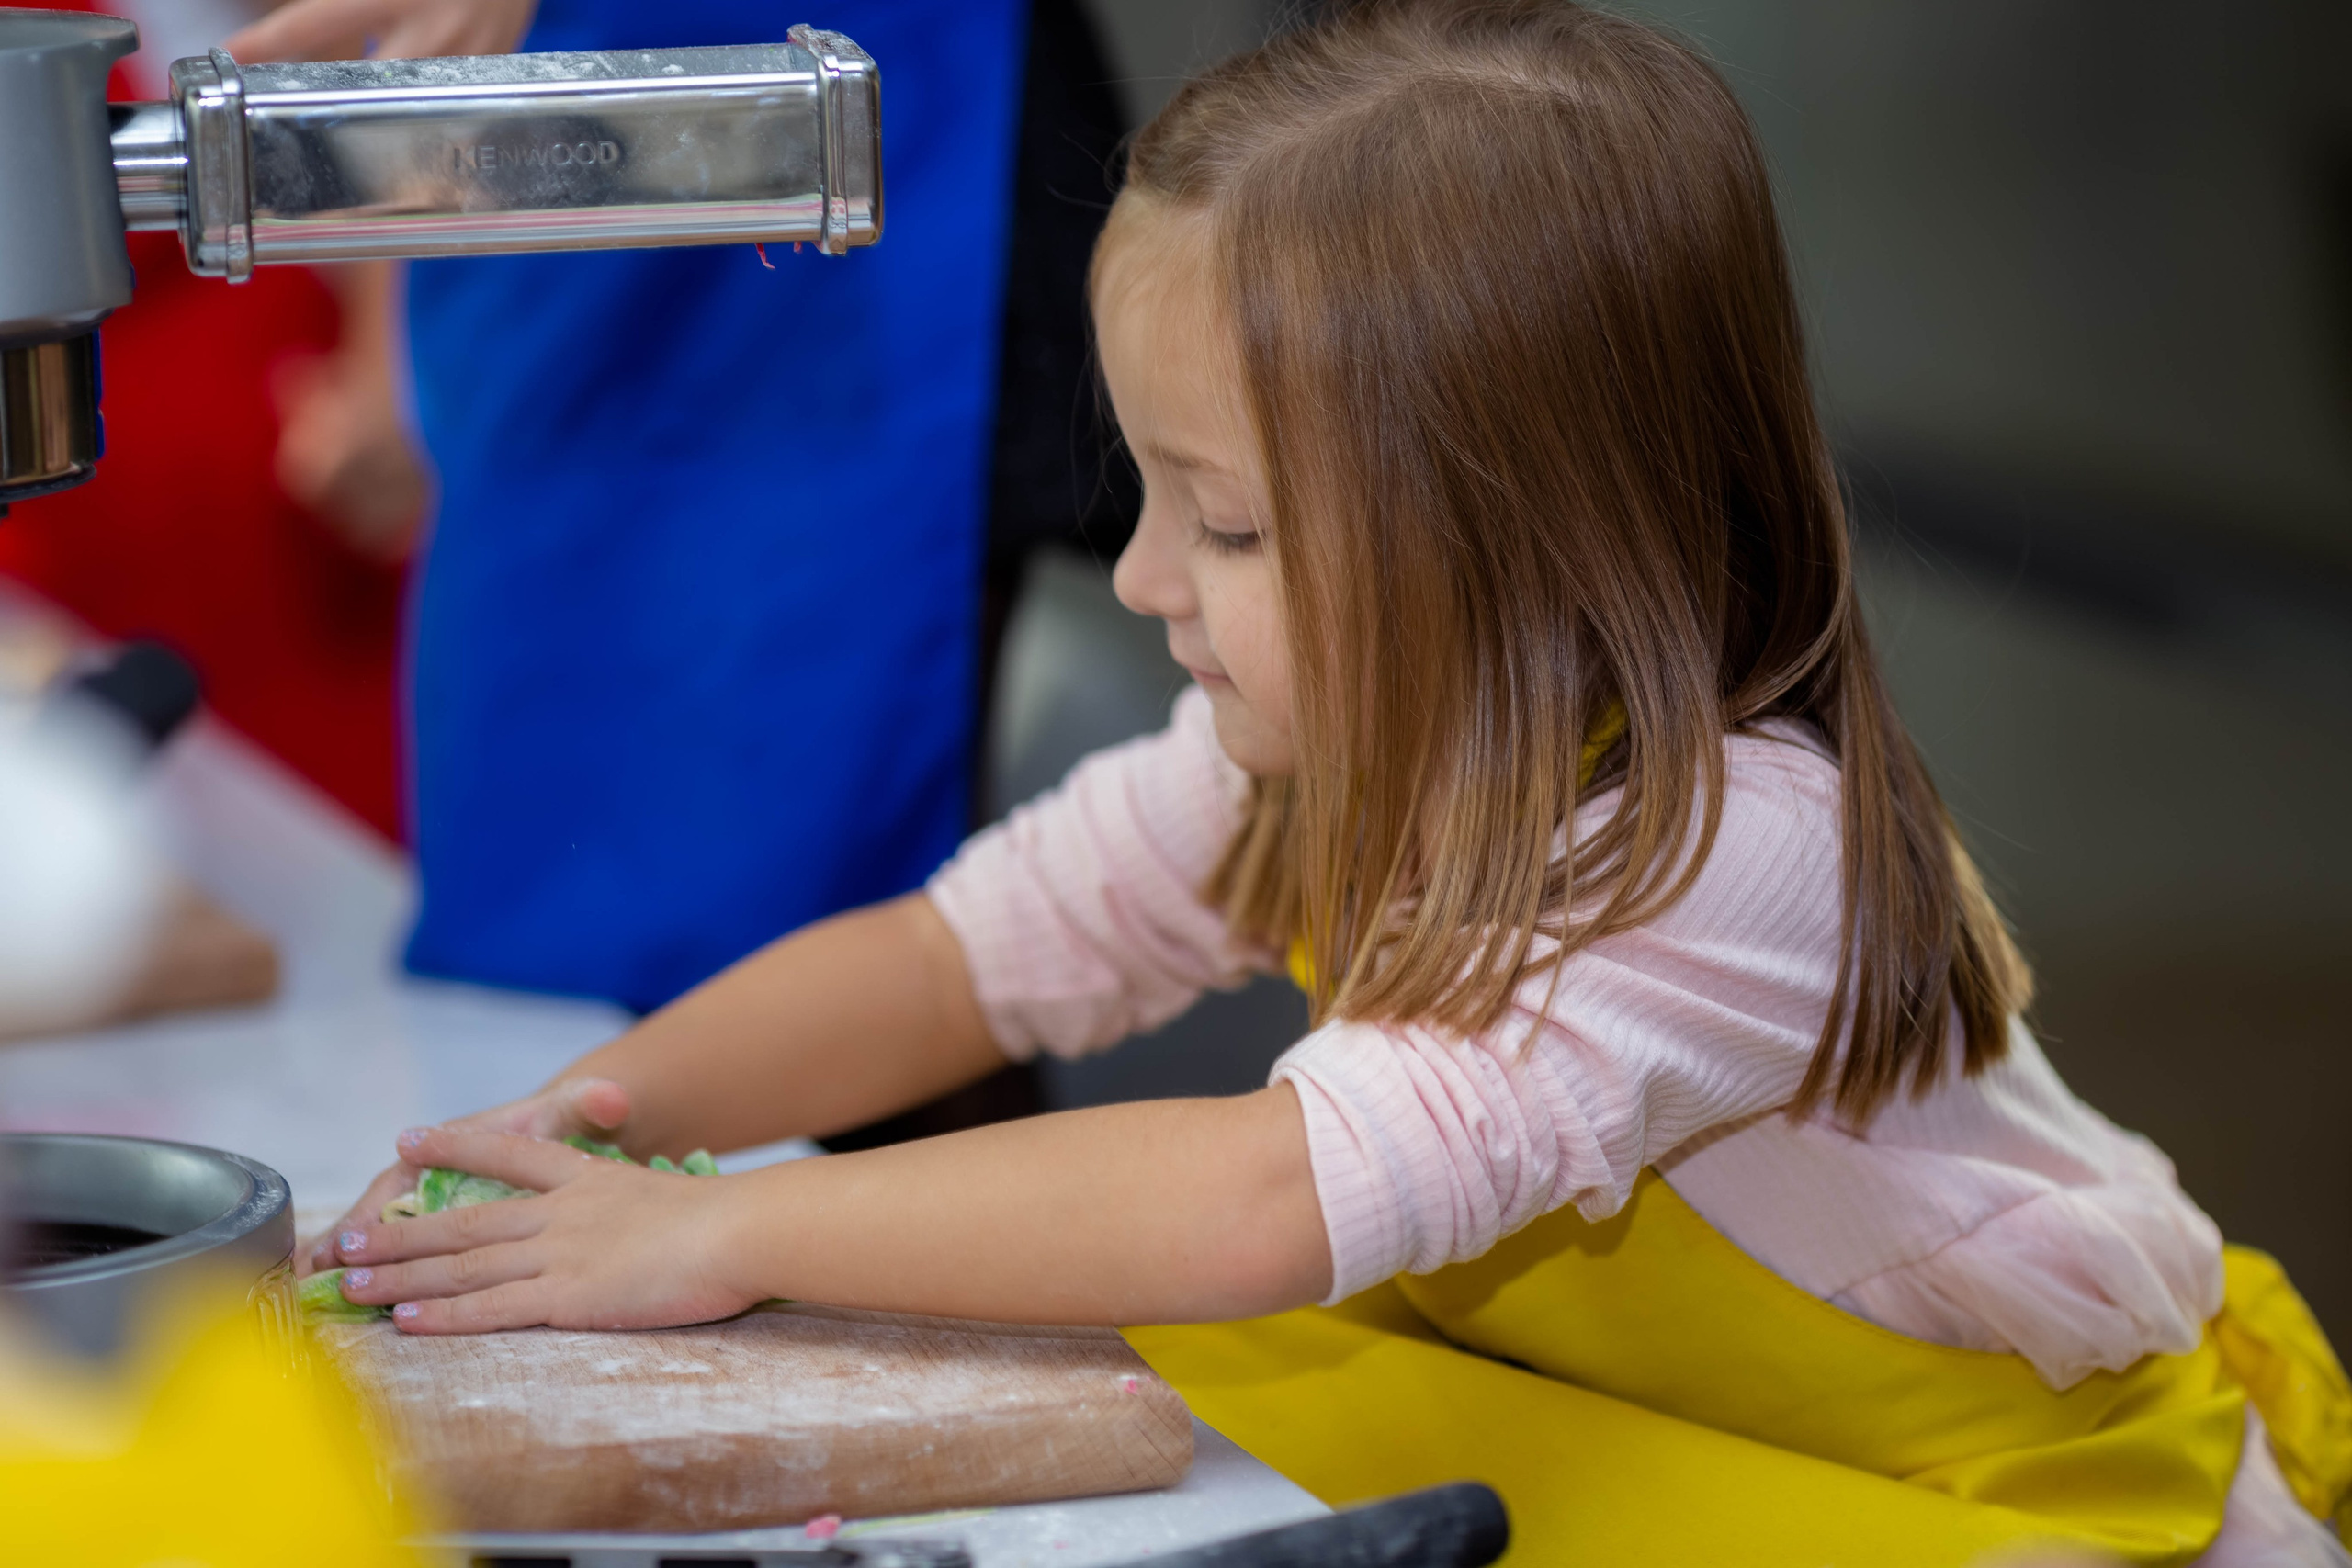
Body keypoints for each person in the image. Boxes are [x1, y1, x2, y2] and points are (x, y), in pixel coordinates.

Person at [297, 4, 2352, 1559]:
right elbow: (954, 962)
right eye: (1147, 495)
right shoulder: (1302, 743)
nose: (1134, 581)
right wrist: (585, 1129)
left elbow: (1257, 1201)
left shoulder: (1728, 848)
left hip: (2010, 1496)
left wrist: (716, 1239)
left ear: (1525, 529)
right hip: (1688, 1447)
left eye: (1227, 524)